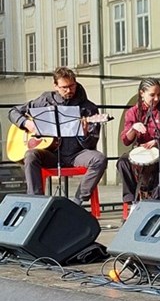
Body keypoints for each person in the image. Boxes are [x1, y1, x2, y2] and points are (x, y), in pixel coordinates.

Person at [8, 67, 106, 205]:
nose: (69, 90)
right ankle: (36, 202)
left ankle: (76, 202)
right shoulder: (46, 100)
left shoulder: (89, 108)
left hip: (76, 155)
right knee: (31, 155)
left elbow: (91, 145)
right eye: (64, 87)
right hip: (51, 154)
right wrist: (26, 124)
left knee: (99, 159)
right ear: (55, 86)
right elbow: (14, 112)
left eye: (72, 86)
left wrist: (84, 135)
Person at [117, 79, 160, 212]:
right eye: (152, 95)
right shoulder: (133, 112)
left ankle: (156, 197)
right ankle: (132, 201)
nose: (156, 98)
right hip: (143, 151)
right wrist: (133, 129)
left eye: (159, 94)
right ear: (142, 93)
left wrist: (158, 142)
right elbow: (126, 140)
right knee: (122, 162)